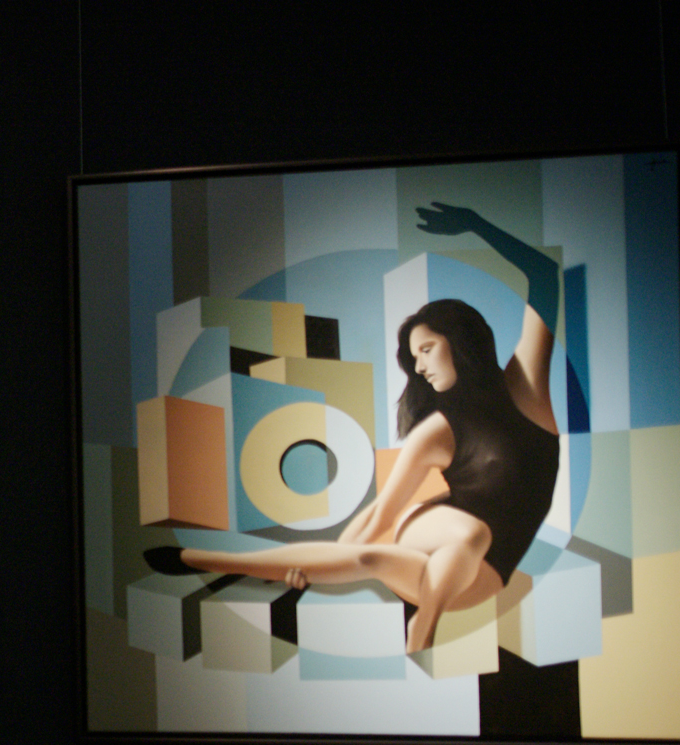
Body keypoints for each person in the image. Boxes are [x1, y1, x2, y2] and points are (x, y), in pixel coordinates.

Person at [146, 203, 560, 655]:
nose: (420, 367)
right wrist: (328, 561)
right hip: (433, 532)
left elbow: (543, 275)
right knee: (469, 535)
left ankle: (199, 560)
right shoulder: (437, 431)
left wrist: (476, 224)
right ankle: (419, 630)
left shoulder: (526, 388)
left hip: (480, 578)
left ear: (461, 341)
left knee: (374, 559)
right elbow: (382, 515)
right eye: (414, 358)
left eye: (426, 349)